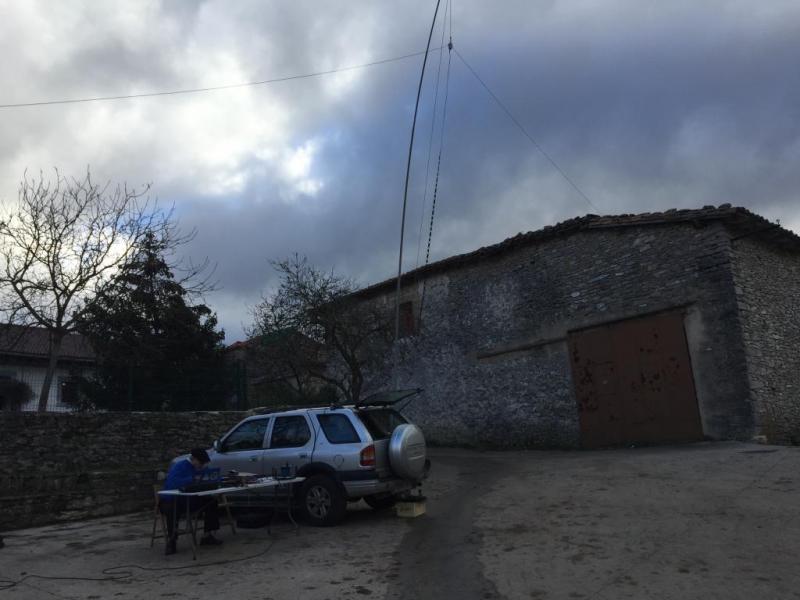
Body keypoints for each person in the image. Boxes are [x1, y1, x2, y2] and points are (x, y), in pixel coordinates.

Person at [160, 447, 222, 555]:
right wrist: (193, 478)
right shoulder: (179, 466)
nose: (202, 465)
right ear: (194, 459)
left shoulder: (200, 467)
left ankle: (207, 535)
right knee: (172, 508)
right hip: (171, 500)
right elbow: (173, 483)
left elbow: (208, 478)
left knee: (211, 501)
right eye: (201, 463)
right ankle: (172, 541)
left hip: (190, 500)